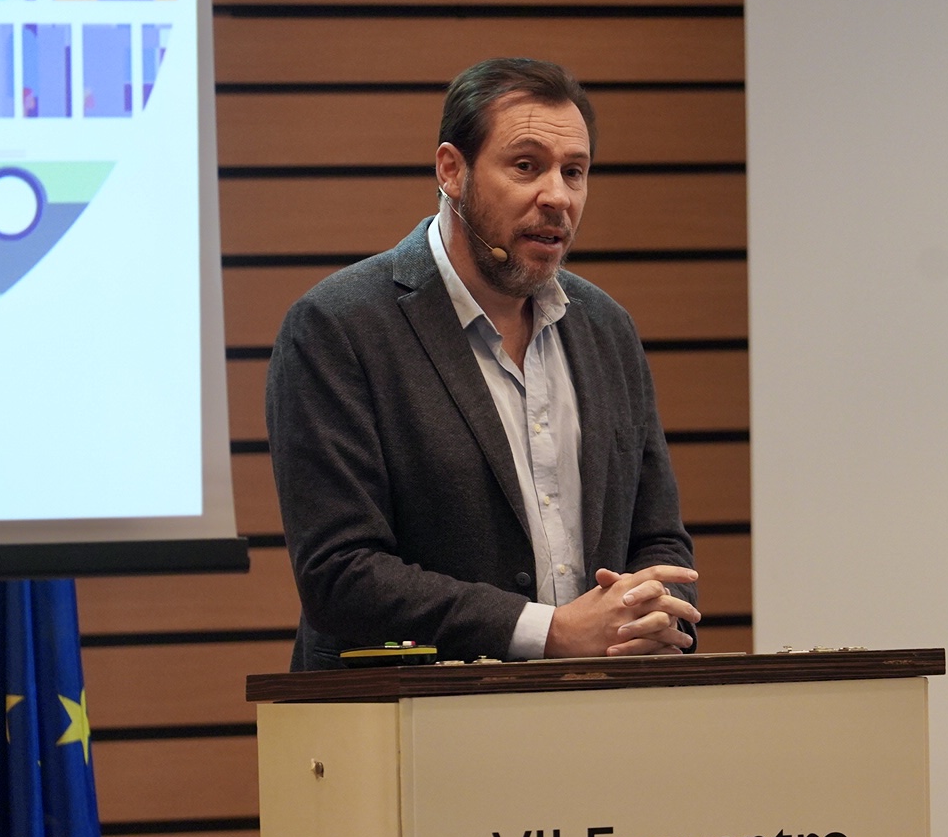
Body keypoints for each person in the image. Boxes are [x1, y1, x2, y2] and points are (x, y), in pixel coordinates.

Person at [265, 58, 699, 671]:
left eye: (574, 172)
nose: (557, 196)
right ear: (452, 170)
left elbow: (658, 538)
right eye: (526, 166)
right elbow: (341, 575)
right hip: (408, 713)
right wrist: (549, 632)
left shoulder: (607, 328)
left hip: (600, 707)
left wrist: (653, 612)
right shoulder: (338, 328)